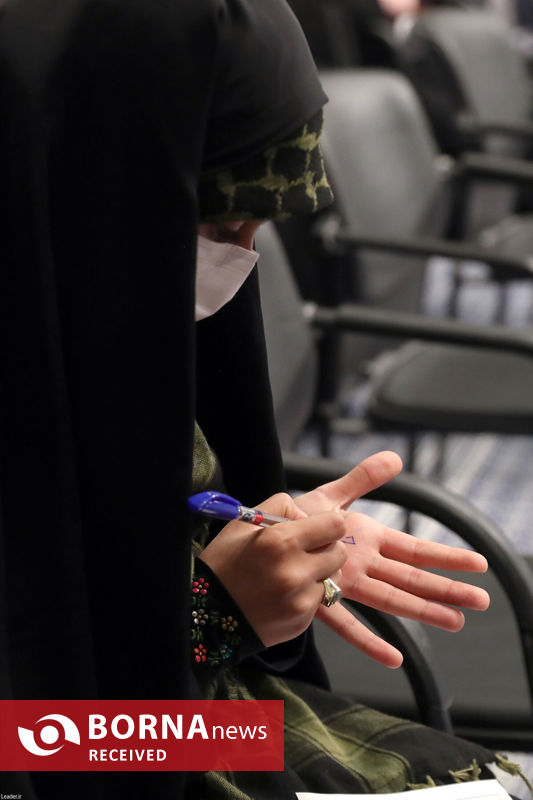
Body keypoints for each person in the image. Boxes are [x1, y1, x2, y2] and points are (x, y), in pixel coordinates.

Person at [0, 1, 522, 799]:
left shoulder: (85, 324)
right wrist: (212, 613)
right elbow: (31, 741)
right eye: (216, 227)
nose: (239, 264)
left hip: (167, 727)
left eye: (256, 232)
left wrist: (278, 549)